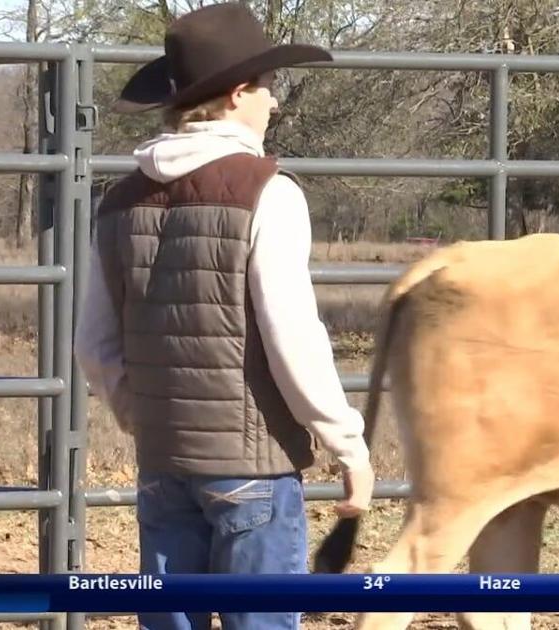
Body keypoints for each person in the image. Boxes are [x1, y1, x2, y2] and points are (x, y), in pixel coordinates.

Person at [73, 4, 374, 629]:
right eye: (266, 90)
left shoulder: (120, 199)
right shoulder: (268, 192)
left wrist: (146, 417)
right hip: (253, 467)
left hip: (163, 463)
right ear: (237, 94)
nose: (273, 104)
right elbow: (291, 335)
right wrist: (348, 442)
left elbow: (95, 347)